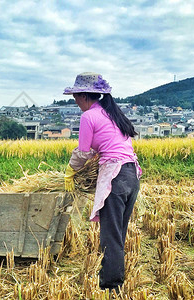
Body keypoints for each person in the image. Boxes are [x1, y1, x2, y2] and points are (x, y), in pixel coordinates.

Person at [62, 72, 142, 293]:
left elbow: (84, 152)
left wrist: (71, 170)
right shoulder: (111, 113)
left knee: (110, 234)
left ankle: (111, 285)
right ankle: (113, 274)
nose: (75, 101)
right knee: (118, 232)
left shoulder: (89, 116)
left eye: (76, 96)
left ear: (86, 95)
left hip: (115, 176)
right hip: (131, 175)